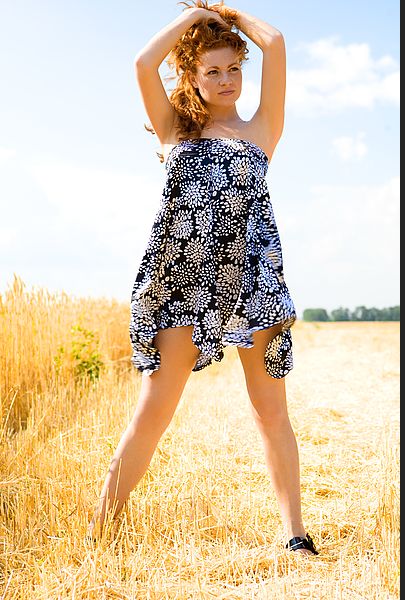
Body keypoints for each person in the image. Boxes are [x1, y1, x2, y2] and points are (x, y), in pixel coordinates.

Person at [87, 0, 318, 557]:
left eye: (233, 68)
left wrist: (230, 17)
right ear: (191, 75)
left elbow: (278, 43)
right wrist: (193, 21)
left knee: (271, 413)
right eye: (211, 70)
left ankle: (295, 535)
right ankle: (100, 532)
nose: (225, 80)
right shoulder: (172, 129)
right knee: (153, 413)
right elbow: (144, 63)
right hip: (183, 284)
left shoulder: (262, 129)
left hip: (253, 282)